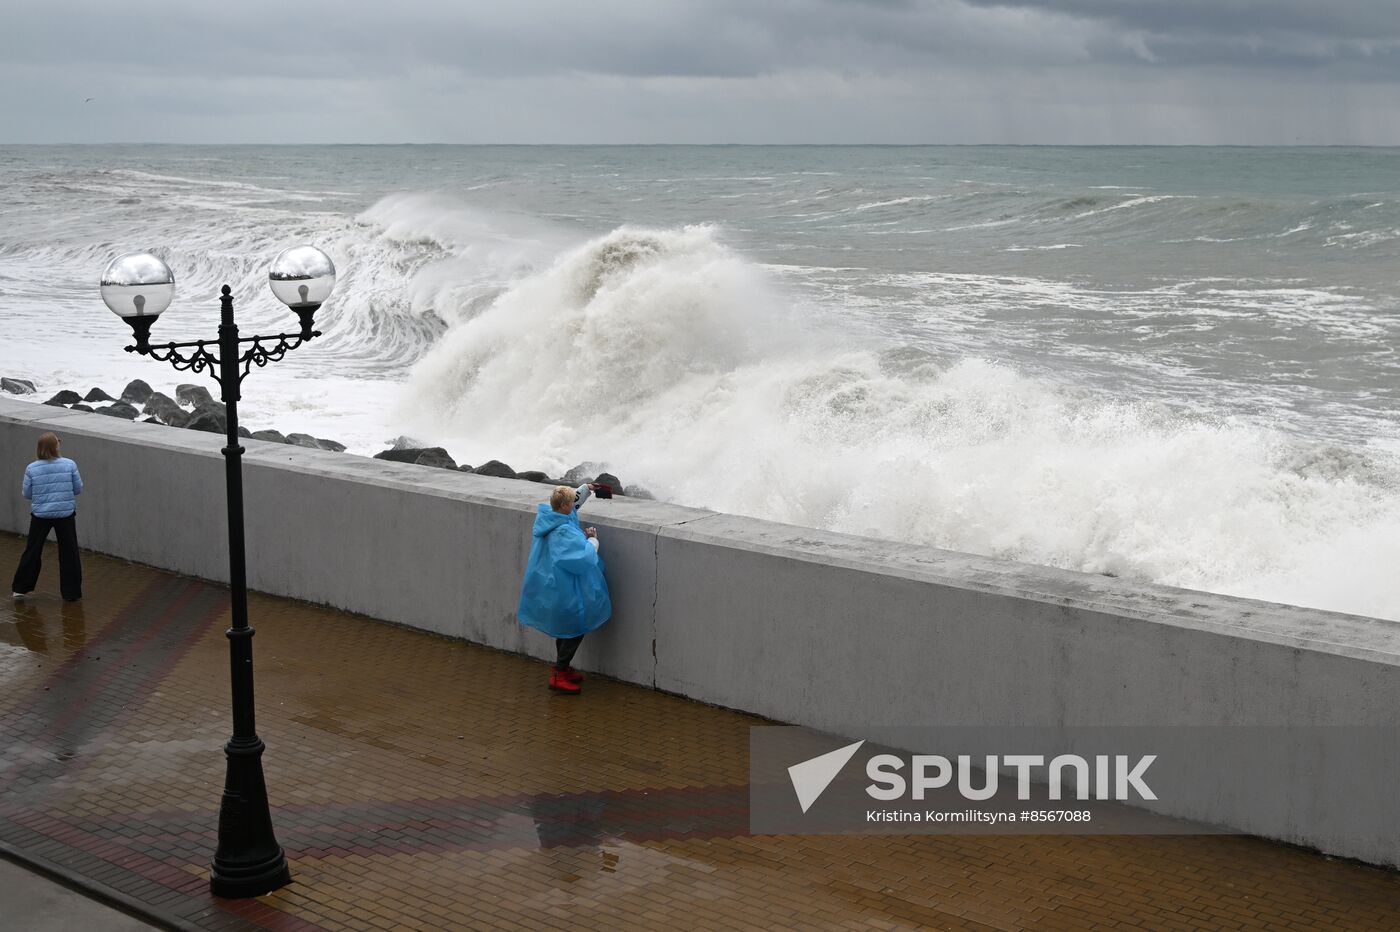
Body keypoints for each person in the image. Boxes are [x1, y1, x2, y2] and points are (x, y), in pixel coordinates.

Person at [517, 483, 611, 694]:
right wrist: (592, 540)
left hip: (554, 585)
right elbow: (583, 558)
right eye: (571, 502)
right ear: (564, 506)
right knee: (573, 629)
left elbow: (573, 505)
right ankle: (559, 674)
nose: (573, 505)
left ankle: (562, 668)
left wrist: (587, 488)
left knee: (565, 628)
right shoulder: (563, 532)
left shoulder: (551, 519)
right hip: (566, 588)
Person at [11, 432, 83, 602]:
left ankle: (20, 588)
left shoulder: (32, 468)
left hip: (40, 515)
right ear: (55, 447)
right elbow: (78, 489)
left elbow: (27, 493)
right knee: (69, 552)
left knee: (33, 550)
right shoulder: (70, 464)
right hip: (65, 514)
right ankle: (71, 593)